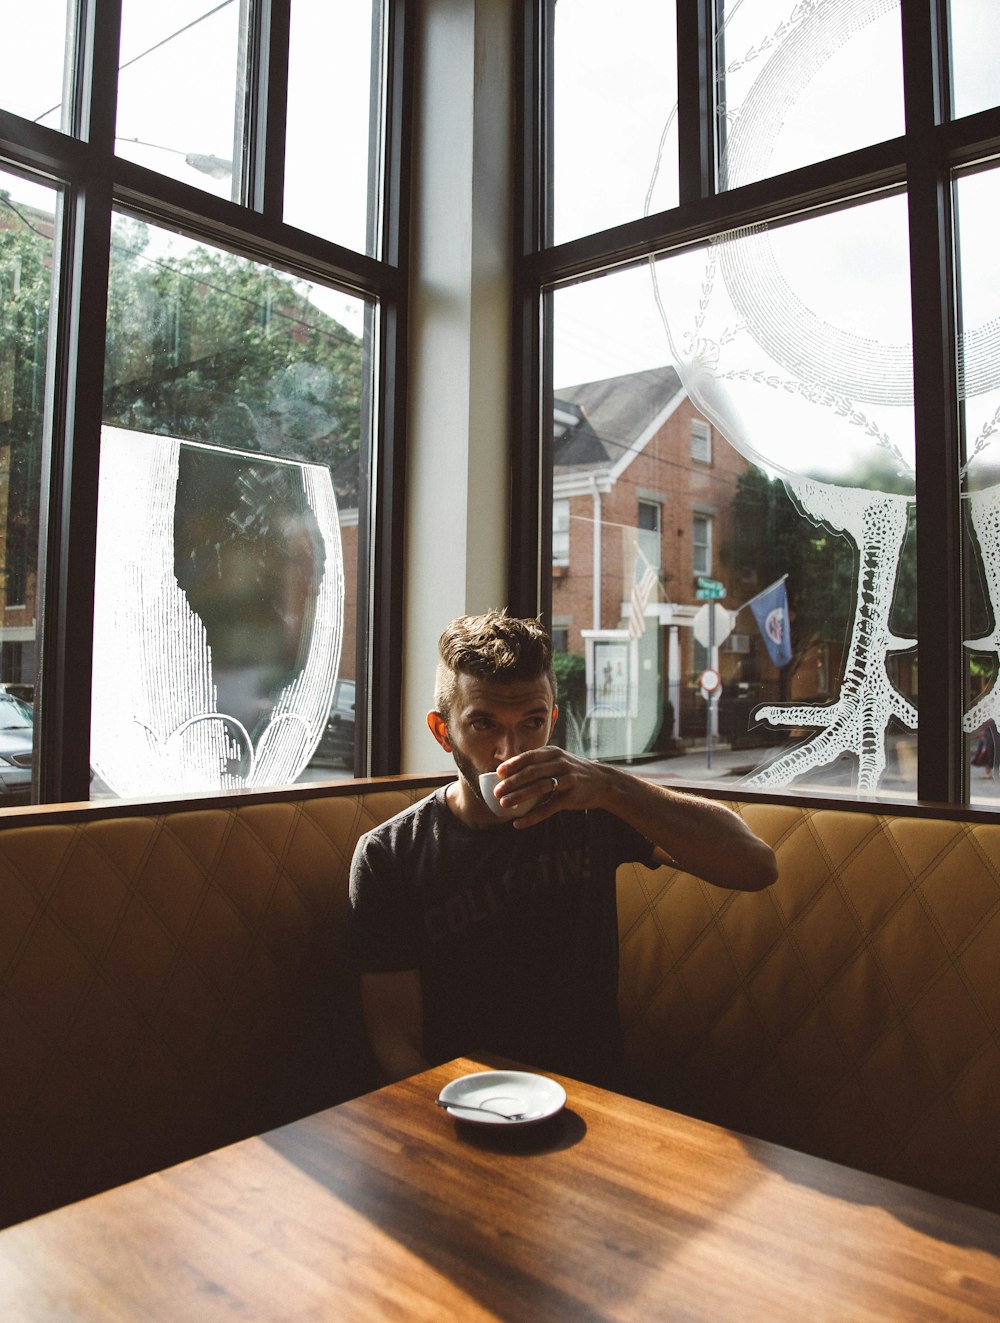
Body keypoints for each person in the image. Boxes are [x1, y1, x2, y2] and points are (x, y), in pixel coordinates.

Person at [346, 610, 777, 1088]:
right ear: (443, 732)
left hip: (592, 1099)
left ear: (552, 718)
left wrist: (613, 787)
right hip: (462, 1106)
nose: (511, 750)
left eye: (531, 722)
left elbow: (756, 866)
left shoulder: (591, 809)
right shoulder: (389, 856)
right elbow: (396, 1044)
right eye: (484, 724)